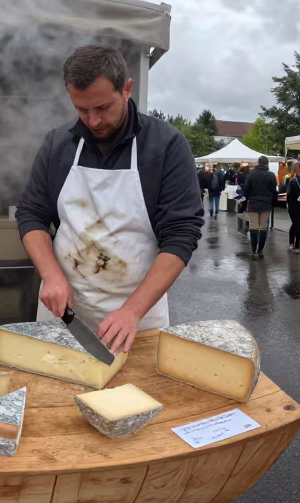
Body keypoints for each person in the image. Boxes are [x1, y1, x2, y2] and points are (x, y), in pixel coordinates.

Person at [16, 45, 202, 355]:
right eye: (81, 109)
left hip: (136, 318)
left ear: (127, 89)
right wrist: (51, 275)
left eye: (103, 107)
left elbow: (181, 234)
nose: (93, 120)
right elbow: (32, 214)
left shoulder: (166, 146)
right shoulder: (58, 144)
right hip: (63, 312)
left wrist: (133, 311)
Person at [242, 155, 278, 257]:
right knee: (263, 227)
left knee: (253, 226)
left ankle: (253, 251)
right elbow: (274, 191)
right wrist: (273, 203)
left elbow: (246, 190)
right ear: (267, 163)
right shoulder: (271, 175)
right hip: (266, 205)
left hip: (253, 204)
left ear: (258, 162)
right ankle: (260, 250)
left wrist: (246, 202)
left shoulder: (251, 174)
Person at [285, 162, 300, 254]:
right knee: (298, 224)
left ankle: (291, 244)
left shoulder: (291, 180)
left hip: (293, 206)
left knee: (295, 224)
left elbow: (289, 195)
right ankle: (297, 245)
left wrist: (288, 205)